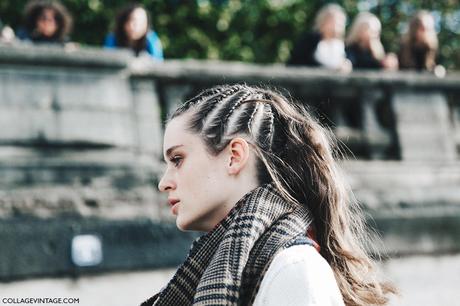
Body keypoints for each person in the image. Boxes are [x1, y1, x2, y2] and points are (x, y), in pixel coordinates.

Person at [141, 84, 396, 306]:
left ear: (234, 156)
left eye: (177, 159)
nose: (164, 183)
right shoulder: (225, 267)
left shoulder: (293, 271)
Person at [287, 4, 351, 71]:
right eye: (332, 21)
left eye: (340, 22)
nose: (336, 25)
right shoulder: (309, 40)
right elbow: (298, 61)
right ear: (323, 21)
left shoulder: (342, 44)